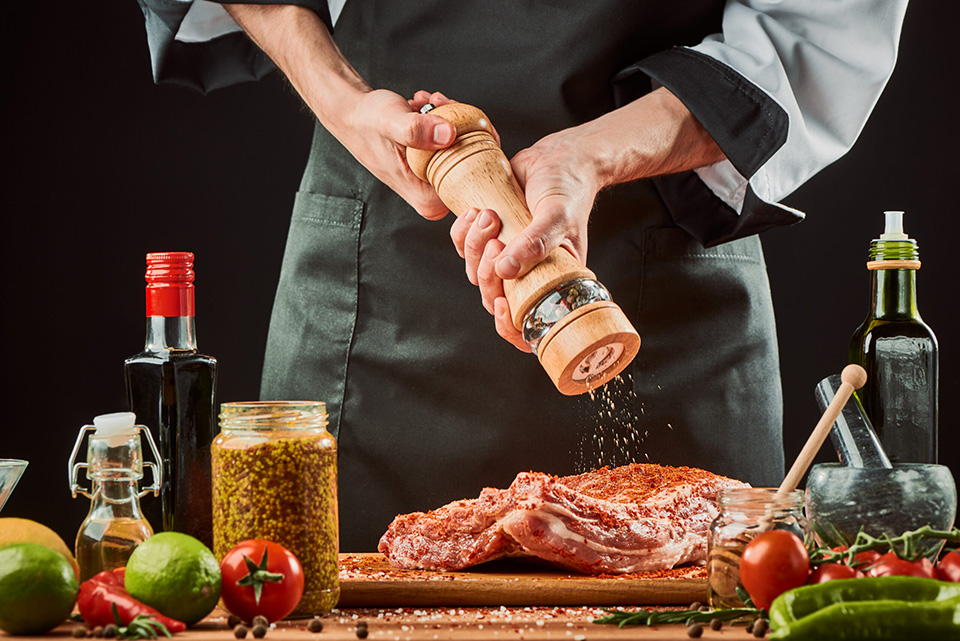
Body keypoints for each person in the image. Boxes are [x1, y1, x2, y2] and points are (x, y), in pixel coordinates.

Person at [135, 0, 908, 551]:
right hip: (370, 295)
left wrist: (593, 156)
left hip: (663, 286)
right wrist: (346, 105)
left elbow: (821, 26)